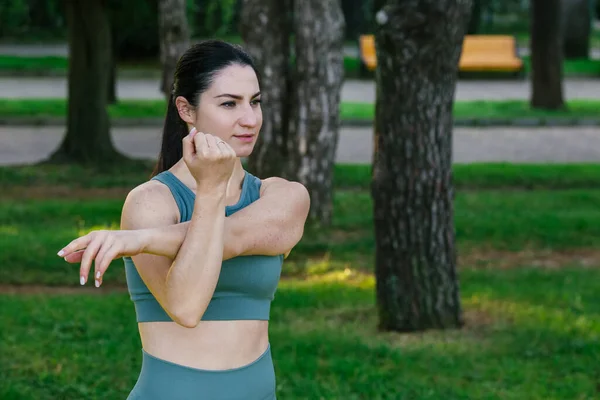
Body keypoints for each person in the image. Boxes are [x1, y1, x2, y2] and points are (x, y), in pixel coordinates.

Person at [57, 40, 310, 399]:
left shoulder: (284, 196)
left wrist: (140, 240)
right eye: (228, 103)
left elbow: (232, 238)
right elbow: (187, 307)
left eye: (255, 101)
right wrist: (209, 190)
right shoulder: (150, 203)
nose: (250, 119)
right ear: (186, 110)